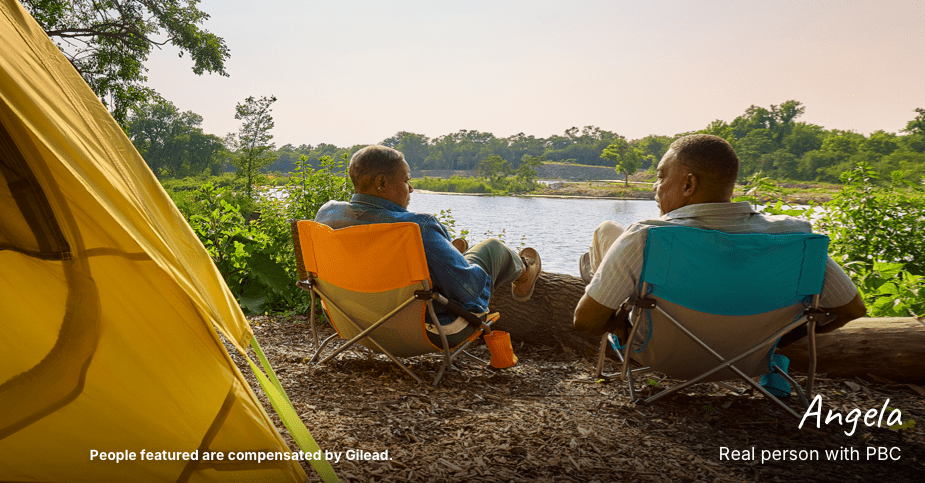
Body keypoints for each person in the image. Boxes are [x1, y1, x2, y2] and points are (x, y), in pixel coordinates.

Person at [573, 134, 865, 345]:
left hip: (658, 353)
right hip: (752, 357)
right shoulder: (795, 239)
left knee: (608, 231)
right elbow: (851, 310)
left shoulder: (645, 237)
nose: (654, 185)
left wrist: (619, 327)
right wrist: (778, 341)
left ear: (688, 184)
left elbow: (586, 323)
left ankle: (618, 317)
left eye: (661, 176)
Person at [314, 145, 542, 347]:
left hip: (351, 321)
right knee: (491, 248)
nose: (411, 188)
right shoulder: (415, 227)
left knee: (442, 258)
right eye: (406, 180)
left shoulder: (327, 214)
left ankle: (446, 256)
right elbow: (468, 291)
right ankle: (525, 271)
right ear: (382, 182)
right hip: (428, 328)